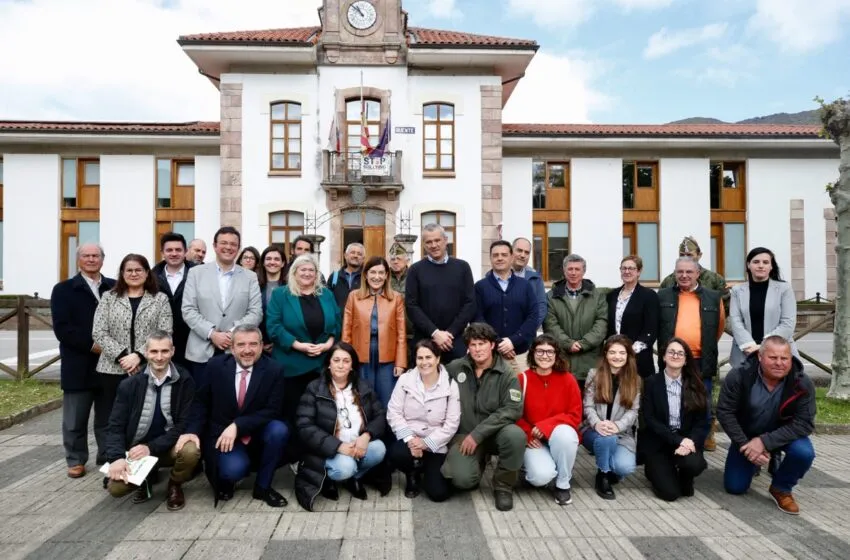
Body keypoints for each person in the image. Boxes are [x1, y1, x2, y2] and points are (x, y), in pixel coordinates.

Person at [182, 326, 289, 507]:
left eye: (253, 344)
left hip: (256, 432)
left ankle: (263, 487)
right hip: (222, 433)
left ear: (262, 346)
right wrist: (192, 431)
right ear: (232, 348)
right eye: (241, 345)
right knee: (233, 470)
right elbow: (201, 402)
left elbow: (273, 410)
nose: (247, 350)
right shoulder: (215, 366)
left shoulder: (274, 369)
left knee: (279, 429)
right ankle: (225, 477)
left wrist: (238, 425)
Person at [716, 335, 816, 515]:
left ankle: (781, 488)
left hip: (783, 434)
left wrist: (763, 442)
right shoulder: (739, 376)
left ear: (790, 358)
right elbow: (725, 412)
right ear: (760, 357)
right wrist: (745, 445)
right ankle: (756, 461)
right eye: (773, 357)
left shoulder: (802, 382)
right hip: (747, 437)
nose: (779, 363)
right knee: (735, 487)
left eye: (784, 358)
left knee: (804, 453)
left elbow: (804, 423)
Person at [93, 254, 173, 472]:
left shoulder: (159, 299)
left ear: (147, 273)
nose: (134, 274)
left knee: (142, 418)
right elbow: (98, 331)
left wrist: (139, 355)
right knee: (112, 418)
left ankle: (145, 468)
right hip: (111, 367)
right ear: (122, 273)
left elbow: (165, 331)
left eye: (139, 270)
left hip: (146, 366)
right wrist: (122, 355)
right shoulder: (109, 297)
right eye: (129, 270)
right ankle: (114, 463)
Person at [104, 331, 200, 510]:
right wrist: (116, 458)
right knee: (116, 489)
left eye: (165, 351)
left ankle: (174, 484)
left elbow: (182, 424)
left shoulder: (184, 380)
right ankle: (145, 479)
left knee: (190, 452)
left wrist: (151, 448)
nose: (159, 357)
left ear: (172, 351)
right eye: (154, 352)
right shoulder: (129, 385)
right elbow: (114, 427)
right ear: (146, 353)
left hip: (167, 445)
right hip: (136, 449)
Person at [294, 342, 388, 510]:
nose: (341, 365)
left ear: (352, 366)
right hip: (327, 450)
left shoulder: (363, 386)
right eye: (336, 360)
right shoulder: (315, 388)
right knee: (345, 467)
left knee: (379, 449)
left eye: (346, 361)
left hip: (357, 445)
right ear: (329, 364)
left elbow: (380, 416)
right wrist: (338, 446)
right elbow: (304, 426)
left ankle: (354, 477)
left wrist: (366, 436)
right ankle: (330, 479)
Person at [442, 323, 525, 511]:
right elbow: (432, 379)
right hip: (464, 435)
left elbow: (512, 410)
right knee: (462, 480)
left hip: (495, 434)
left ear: (492, 345)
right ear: (468, 347)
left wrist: (478, 434)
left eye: (482, 343)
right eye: (473, 345)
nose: (477, 349)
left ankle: (503, 485)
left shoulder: (507, 374)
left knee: (516, 436)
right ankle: (478, 460)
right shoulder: (456, 368)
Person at [51, 243, 116, 477]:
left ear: (102, 259)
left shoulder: (114, 287)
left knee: (107, 416)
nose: (91, 259)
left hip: (109, 364)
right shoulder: (64, 289)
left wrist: (112, 348)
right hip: (78, 364)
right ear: (78, 259)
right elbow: (62, 328)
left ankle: (107, 455)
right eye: (86, 256)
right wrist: (92, 345)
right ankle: (76, 459)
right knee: (75, 419)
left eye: (95, 255)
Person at [266, 254, 340, 455]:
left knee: (321, 413)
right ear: (294, 273)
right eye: (303, 270)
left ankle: (318, 453)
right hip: (292, 365)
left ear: (317, 274)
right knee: (296, 413)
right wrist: (298, 345)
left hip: (321, 364)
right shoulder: (281, 294)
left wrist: (328, 344)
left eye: (311, 270)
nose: (307, 273)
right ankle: (295, 456)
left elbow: (337, 322)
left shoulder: (326, 294)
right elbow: (273, 326)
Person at [657, 256, 725, 451]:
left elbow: (718, 328)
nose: (684, 276)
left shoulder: (713, 297)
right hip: (672, 361)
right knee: (672, 405)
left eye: (689, 272)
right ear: (674, 274)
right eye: (680, 272)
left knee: (700, 407)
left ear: (698, 273)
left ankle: (696, 448)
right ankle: (672, 446)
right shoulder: (663, 296)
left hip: (700, 361)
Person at [181, 226, 263, 389]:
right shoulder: (196, 273)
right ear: (214, 246)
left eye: (233, 244)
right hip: (201, 352)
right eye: (224, 243)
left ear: (238, 248)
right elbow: (188, 309)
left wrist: (231, 334)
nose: (228, 247)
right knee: (201, 401)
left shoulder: (250, 277)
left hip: (236, 351)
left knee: (231, 402)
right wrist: (212, 334)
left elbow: (256, 312)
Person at [386, 340, 460, 502]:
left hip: (436, 443)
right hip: (410, 440)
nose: (424, 362)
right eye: (420, 358)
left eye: (429, 357)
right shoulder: (405, 380)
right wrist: (411, 440)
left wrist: (426, 443)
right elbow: (394, 412)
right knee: (396, 453)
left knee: (439, 494)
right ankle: (412, 474)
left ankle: (426, 470)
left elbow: (452, 423)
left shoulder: (450, 384)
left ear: (438, 359)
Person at [639, 338, 709, 502]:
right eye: (671, 352)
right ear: (663, 357)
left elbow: (702, 422)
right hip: (659, 443)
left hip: (685, 442)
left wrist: (689, 442)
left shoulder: (695, 384)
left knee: (694, 466)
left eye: (680, 353)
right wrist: (678, 440)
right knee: (670, 494)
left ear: (685, 360)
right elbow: (650, 419)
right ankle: (656, 470)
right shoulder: (651, 382)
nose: (675, 356)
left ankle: (685, 476)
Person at [517, 334, 582, 506]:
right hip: (534, 439)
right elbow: (513, 414)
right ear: (532, 353)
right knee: (540, 477)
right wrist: (528, 434)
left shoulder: (568, 379)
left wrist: (545, 426)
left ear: (556, 354)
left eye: (549, 351)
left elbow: (575, 415)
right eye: (540, 351)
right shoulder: (522, 379)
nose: (544, 356)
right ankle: (530, 468)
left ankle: (563, 483)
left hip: (558, 436)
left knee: (566, 434)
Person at [580, 335, 640, 500]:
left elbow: (633, 411)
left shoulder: (635, 380)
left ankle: (609, 467)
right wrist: (598, 424)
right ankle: (603, 475)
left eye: (622, 353)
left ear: (628, 356)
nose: (617, 356)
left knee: (624, 468)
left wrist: (617, 426)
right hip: (593, 431)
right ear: (605, 354)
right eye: (612, 352)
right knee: (607, 440)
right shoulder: (594, 374)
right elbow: (588, 406)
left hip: (621, 433)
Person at [405, 223, 476, 362]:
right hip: (425, 343)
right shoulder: (415, 270)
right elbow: (411, 305)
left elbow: (470, 303)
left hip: (455, 342)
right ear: (424, 245)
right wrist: (435, 333)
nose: (434, 245)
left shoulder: (462, 267)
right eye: (429, 242)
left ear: (446, 240)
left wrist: (449, 334)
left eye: (437, 240)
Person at [342, 256, 407, 407]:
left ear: (386, 276)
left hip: (388, 356)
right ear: (365, 274)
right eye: (372, 272)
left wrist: (400, 362)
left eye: (381, 273)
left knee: (387, 399)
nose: (376, 277)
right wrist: (346, 359)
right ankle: (366, 430)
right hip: (360, 355)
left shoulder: (396, 298)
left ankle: (385, 430)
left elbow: (401, 333)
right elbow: (346, 331)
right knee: (362, 398)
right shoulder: (354, 296)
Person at [543, 254, 608, 387]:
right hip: (561, 360)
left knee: (590, 402)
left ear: (583, 271)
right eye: (570, 269)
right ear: (564, 270)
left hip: (590, 361)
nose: (573, 273)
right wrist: (568, 343)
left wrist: (584, 343)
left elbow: (602, 323)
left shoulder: (597, 296)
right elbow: (550, 324)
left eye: (577, 269)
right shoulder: (551, 297)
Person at [729, 247, 798, 369]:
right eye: (756, 262)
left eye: (765, 262)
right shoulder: (737, 290)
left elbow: (788, 323)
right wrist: (750, 346)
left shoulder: (784, 289)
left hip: (777, 353)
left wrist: (764, 346)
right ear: (748, 265)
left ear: (771, 266)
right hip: (746, 352)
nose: (761, 266)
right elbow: (735, 321)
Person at [474, 240, 538, 372]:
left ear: (511, 257)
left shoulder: (525, 286)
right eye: (495, 255)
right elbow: (477, 319)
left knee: (521, 391)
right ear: (490, 258)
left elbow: (533, 317)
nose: (499, 258)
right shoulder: (480, 287)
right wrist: (499, 343)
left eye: (504, 254)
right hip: (490, 356)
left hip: (520, 355)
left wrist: (513, 341)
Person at [606, 255, 659, 378]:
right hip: (615, 359)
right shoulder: (612, 296)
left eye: (631, 268)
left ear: (639, 271)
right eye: (623, 268)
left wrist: (629, 351)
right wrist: (615, 351)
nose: (627, 271)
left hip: (638, 358)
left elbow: (651, 328)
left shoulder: (648, 296)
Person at [152, 232, 196, 368]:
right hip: (161, 343)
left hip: (192, 339)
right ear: (162, 253)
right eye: (169, 250)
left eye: (178, 250)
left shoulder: (198, 273)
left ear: (185, 252)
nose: (174, 253)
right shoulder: (151, 277)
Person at [659, 236, 729, 314]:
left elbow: (726, 310)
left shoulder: (716, 280)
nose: (686, 258)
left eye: (689, 255)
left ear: (699, 255)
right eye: (682, 255)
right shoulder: (668, 281)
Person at [510, 237, 546, 331]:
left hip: (527, 337)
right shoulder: (497, 274)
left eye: (526, 252)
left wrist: (528, 331)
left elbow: (541, 307)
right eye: (519, 250)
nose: (523, 255)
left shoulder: (535, 278)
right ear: (511, 251)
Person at [257, 244, 287, 353]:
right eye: (268, 259)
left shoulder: (290, 288)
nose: (272, 262)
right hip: (259, 344)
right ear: (263, 263)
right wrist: (260, 342)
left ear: (283, 263)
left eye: (276, 259)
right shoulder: (255, 286)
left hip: (283, 344)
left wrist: (278, 342)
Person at [328, 242, 364, 310]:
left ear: (363, 258)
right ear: (345, 255)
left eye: (359, 254)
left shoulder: (367, 278)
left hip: (360, 319)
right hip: (339, 319)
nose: (355, 256)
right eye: (352, 252)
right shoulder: (334, 277)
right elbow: (328, 300)